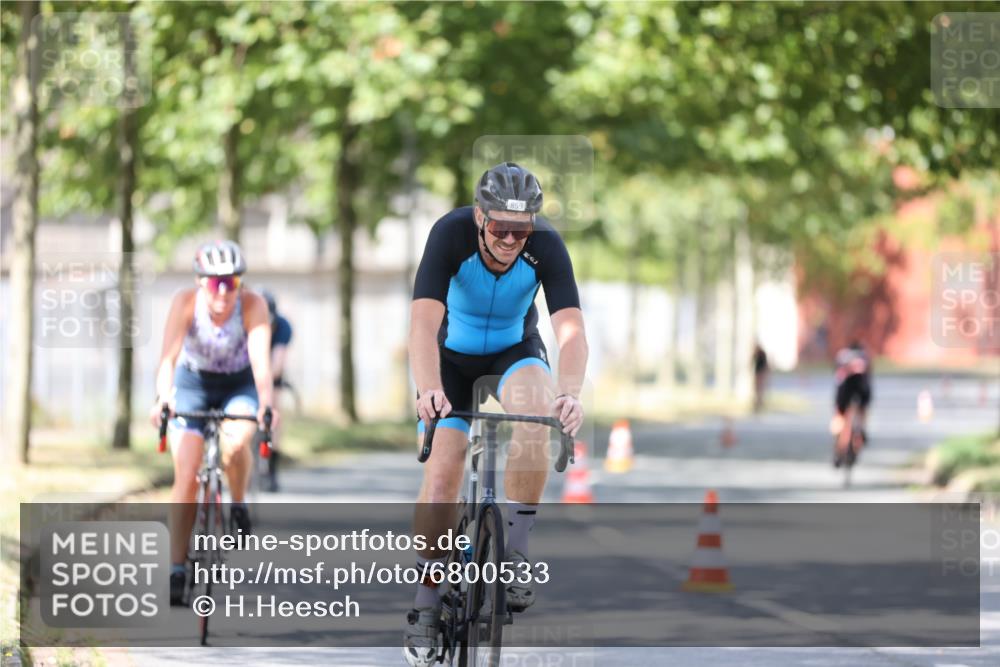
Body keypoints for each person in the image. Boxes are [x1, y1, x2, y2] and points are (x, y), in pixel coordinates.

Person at [403, 162, 588, 667]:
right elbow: (421, 326)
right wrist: (428, 391)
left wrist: (569, 393)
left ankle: (516, 554)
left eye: (520, 228)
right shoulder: (449, 234)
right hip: (450, 359)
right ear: (480, 216)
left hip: (514, 349)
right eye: (500, 227)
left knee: (536, 416)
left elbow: (571, 331)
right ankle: (425, 600)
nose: (510, 239)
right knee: (442, 475)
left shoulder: (545, 245)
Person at [149, 240, 278, 606]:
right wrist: (163, 398)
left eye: (231, 282)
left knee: (236, 444)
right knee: (187, 472)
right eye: (214, 283)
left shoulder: (253, 305)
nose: (223, 292)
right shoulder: (185, 303)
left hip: (239, 384)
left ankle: (237, 503)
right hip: (193, 385)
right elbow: (167, 360)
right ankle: (177, 567)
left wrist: (267, 403)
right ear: (199, 282)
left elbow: (261, 364)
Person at [260, 289, 293, 492]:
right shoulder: (245, 321)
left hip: (271, 372)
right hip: (247, 371)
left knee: (273, 413)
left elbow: (278, 362)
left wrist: (267, 384)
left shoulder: (283, 326)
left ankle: (272, 470)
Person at [831, 338, 872, 467]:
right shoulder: (865, 356)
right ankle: (861, 430)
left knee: (840, 414)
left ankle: (838, 439)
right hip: (861, 386)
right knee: (862, 409)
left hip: (845, 388)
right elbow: (869, 377)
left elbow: (837, 375)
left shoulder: (842, 355)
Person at [752, 342, 769, 413]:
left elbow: (765, 364)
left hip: (760, 373)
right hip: (756, 373)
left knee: (760, 389)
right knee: (756, 389)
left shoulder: (762, 354)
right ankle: (756, 403)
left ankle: (760, 402)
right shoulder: (756, 354)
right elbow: (752, 361)